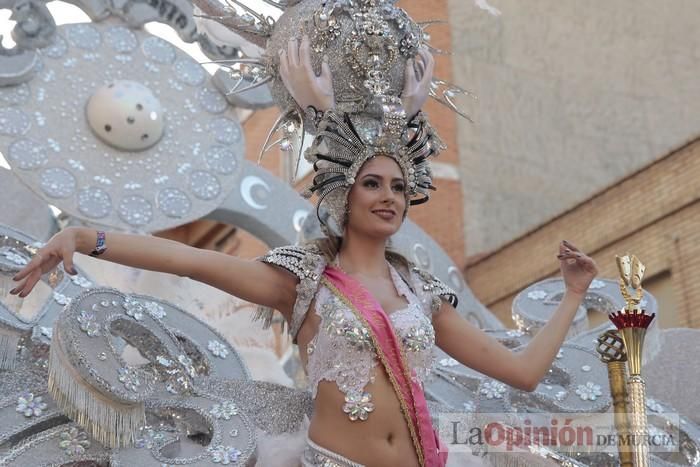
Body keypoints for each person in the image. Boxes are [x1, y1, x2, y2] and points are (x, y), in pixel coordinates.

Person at [11, 38, 598, 467]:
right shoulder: (305, 280)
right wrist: (89, 239)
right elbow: (195, 262)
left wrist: (572, 293)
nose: (388, 197)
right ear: (343, 193)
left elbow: (521, 372)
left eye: (398, 186)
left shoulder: (422, 294)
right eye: (372, 183)